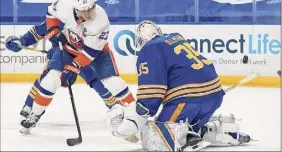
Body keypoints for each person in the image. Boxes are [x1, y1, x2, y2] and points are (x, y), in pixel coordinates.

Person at [105, 20, 251, 151]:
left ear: (140, 40)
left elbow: (153, 92)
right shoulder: (175, 37)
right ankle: (221, 131)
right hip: (214, 97)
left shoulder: (149, 49)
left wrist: (137, 117)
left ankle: (188, 139)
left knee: (157, 137)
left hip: (187, 102)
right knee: (187, 125)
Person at [5, 0, 135, 134]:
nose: (87, 13)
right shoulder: (63, 9)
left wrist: (73, 67)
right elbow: (41, 28)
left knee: (112, 83)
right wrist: (22, 41)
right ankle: (34, 113)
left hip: (94, 53)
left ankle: (134, 115)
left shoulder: (101, 20)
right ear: (74, 7)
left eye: (90, 8)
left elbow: (90, 52)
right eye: (83, 10)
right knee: (50, 79)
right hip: (66, 51)